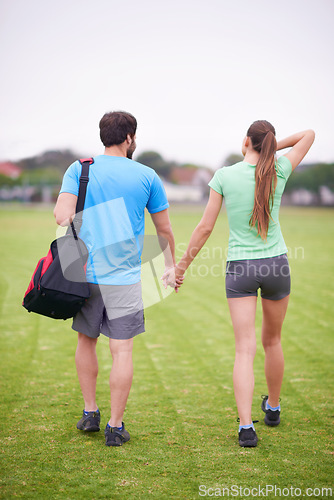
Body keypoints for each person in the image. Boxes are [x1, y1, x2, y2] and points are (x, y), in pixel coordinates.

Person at [163, 121, 315, 447]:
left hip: (240, 269)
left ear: (246, 141)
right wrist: (272, 148)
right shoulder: (280, 167)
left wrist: (181, 266)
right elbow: (308, 135)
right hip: (276, 265)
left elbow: (204, 228)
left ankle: (247, 428)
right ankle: (272, 408)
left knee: (244, 349)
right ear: (270, 144)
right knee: (272, 341)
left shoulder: (224, 176)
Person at [54, 111, 176, 447]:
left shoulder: (80, 168)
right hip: (123, 277)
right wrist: (171, 265)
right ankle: (114, 426)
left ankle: (90, 412)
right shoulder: (147, 175)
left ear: (103, 136)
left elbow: (61, 216)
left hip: (84, 274)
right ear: (129, 138)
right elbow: (163, 229)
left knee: (85, 341)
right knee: (122, 351)